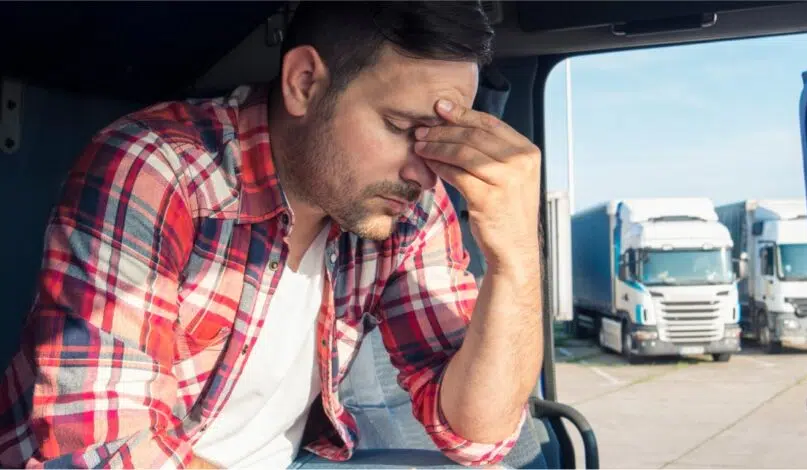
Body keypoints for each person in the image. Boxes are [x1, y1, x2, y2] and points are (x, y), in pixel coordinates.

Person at [0, 1, 543, 468]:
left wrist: (516, 258)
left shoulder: (409, 203)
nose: (422, 171)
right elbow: (101, 452)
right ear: (304, 82)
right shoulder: (160, 170)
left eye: (440, 140)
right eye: (401, 128)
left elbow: (479, 436)